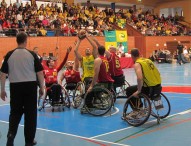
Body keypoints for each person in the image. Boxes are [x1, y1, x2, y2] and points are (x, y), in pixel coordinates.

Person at [0, 32, 45, 146]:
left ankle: (11, 136)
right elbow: (40, 72)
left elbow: (3, 74)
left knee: (15, 113)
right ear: (25, 40)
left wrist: (2, 90)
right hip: (30, 86)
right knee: (31, 115)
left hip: (15, 87)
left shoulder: (10, 54)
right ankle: (29, 141)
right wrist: (41, 87)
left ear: (17, 40)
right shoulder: (32, 54)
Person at [125, 48, 162, 115]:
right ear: (139, 54)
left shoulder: (137, 64)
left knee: (129, 90)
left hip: (149, 90)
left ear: (132, 56)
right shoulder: (148, 60)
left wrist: (138, 91)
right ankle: (156, 107)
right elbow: (158, 73)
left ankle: (138, 110)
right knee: (135, 88)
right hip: (158, 87)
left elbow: (139, 78)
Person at [81, 45, 114, 112]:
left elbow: (96, 74)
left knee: (88, 87)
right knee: (92, 82)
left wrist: (91, 86)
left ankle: (88, 106)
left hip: (104, 84)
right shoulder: (105, 59)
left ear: (97, 52)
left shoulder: (98, 60)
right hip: (109, 83)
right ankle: (95, 100)